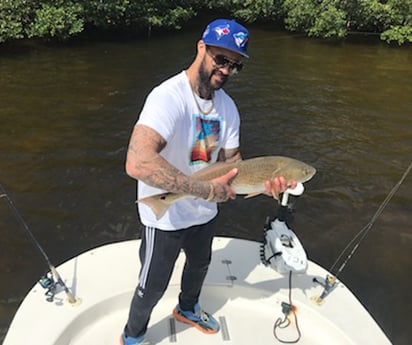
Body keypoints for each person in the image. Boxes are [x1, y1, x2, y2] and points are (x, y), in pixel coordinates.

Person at [121, 19, 293, 345]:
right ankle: (133, 334)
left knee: (200, 266)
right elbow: (137, 161)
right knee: (153, 284)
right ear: (201, 47)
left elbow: (234, 165)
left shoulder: (228, 108)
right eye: (221, 59)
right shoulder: (167, 98)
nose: (227, 70)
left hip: (205, 213)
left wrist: (265, 185)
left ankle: (187, 308)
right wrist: (202, 189)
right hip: (165, 215)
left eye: (235, 65)